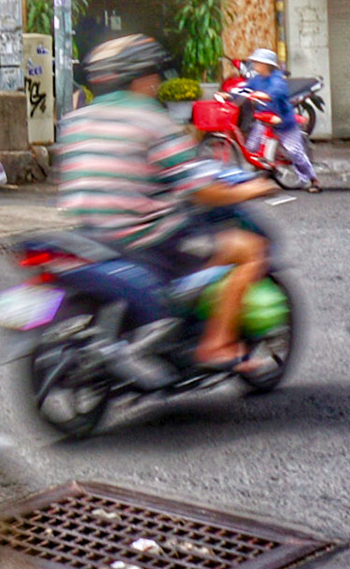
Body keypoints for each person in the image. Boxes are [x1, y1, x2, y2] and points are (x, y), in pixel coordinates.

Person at [55, 34, 279, 370]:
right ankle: (216, 344)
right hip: (147, 239)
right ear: (141, 78)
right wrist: (249, 191)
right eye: (154, 74)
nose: (158, 82)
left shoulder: (76, 120)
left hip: (93, 234)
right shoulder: (151, 120)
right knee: (248, 249)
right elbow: (199, 191)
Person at [239, 47, 318, 192]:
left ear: (266, 65)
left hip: (283, 121)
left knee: (294, 152)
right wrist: (229, 95)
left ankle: (313, 179)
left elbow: (277, 91)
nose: (255, 65)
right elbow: (244, 89)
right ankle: (264, 173)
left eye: (257, 62)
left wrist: (266, 95)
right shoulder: (256, 79)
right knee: (252, 148)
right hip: (263, 119)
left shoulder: (277, 79)